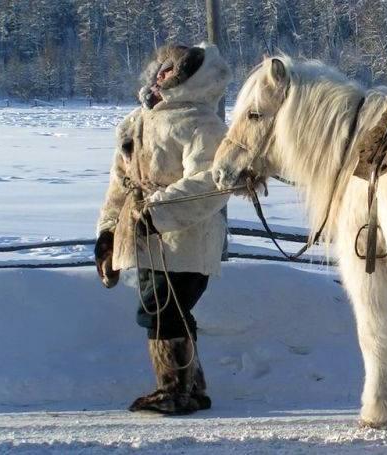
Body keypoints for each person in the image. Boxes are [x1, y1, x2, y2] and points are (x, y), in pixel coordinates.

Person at [94, 43, 231, 415]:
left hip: (186, 239)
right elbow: (121, 181)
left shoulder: (202, 124)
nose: (161, 73)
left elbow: (211, 182)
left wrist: (157, 214)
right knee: (167, 309)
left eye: (171, 69)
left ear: (188, 76)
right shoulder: (137, 121)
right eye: (161, 67)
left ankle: (173, 389)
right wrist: (108, 232)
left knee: (162, 309)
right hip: (144, 234)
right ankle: (190, 388)